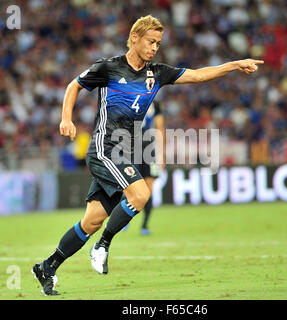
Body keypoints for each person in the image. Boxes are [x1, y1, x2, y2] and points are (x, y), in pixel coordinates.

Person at [32, 14, 263, 296]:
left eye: (158, 43)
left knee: (91, 220)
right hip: (104, 147)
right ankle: (103, 245)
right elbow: (73, 86)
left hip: (123, 152)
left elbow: (199, 75)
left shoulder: (157, 73)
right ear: (134, 38)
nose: (155, 48)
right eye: (151, 42)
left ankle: (47, 266)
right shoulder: (108, 68)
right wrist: (66, 119)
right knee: (141, 195)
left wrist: (235, 65)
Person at [122, 100, 166, 235]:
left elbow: (159, 128)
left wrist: (161, 154)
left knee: (149, 187)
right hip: (131, 148)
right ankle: (124, 220)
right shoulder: (129, 98)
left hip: (149, 149)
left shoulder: (156, 103)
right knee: (130, 186)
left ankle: (145, 225)